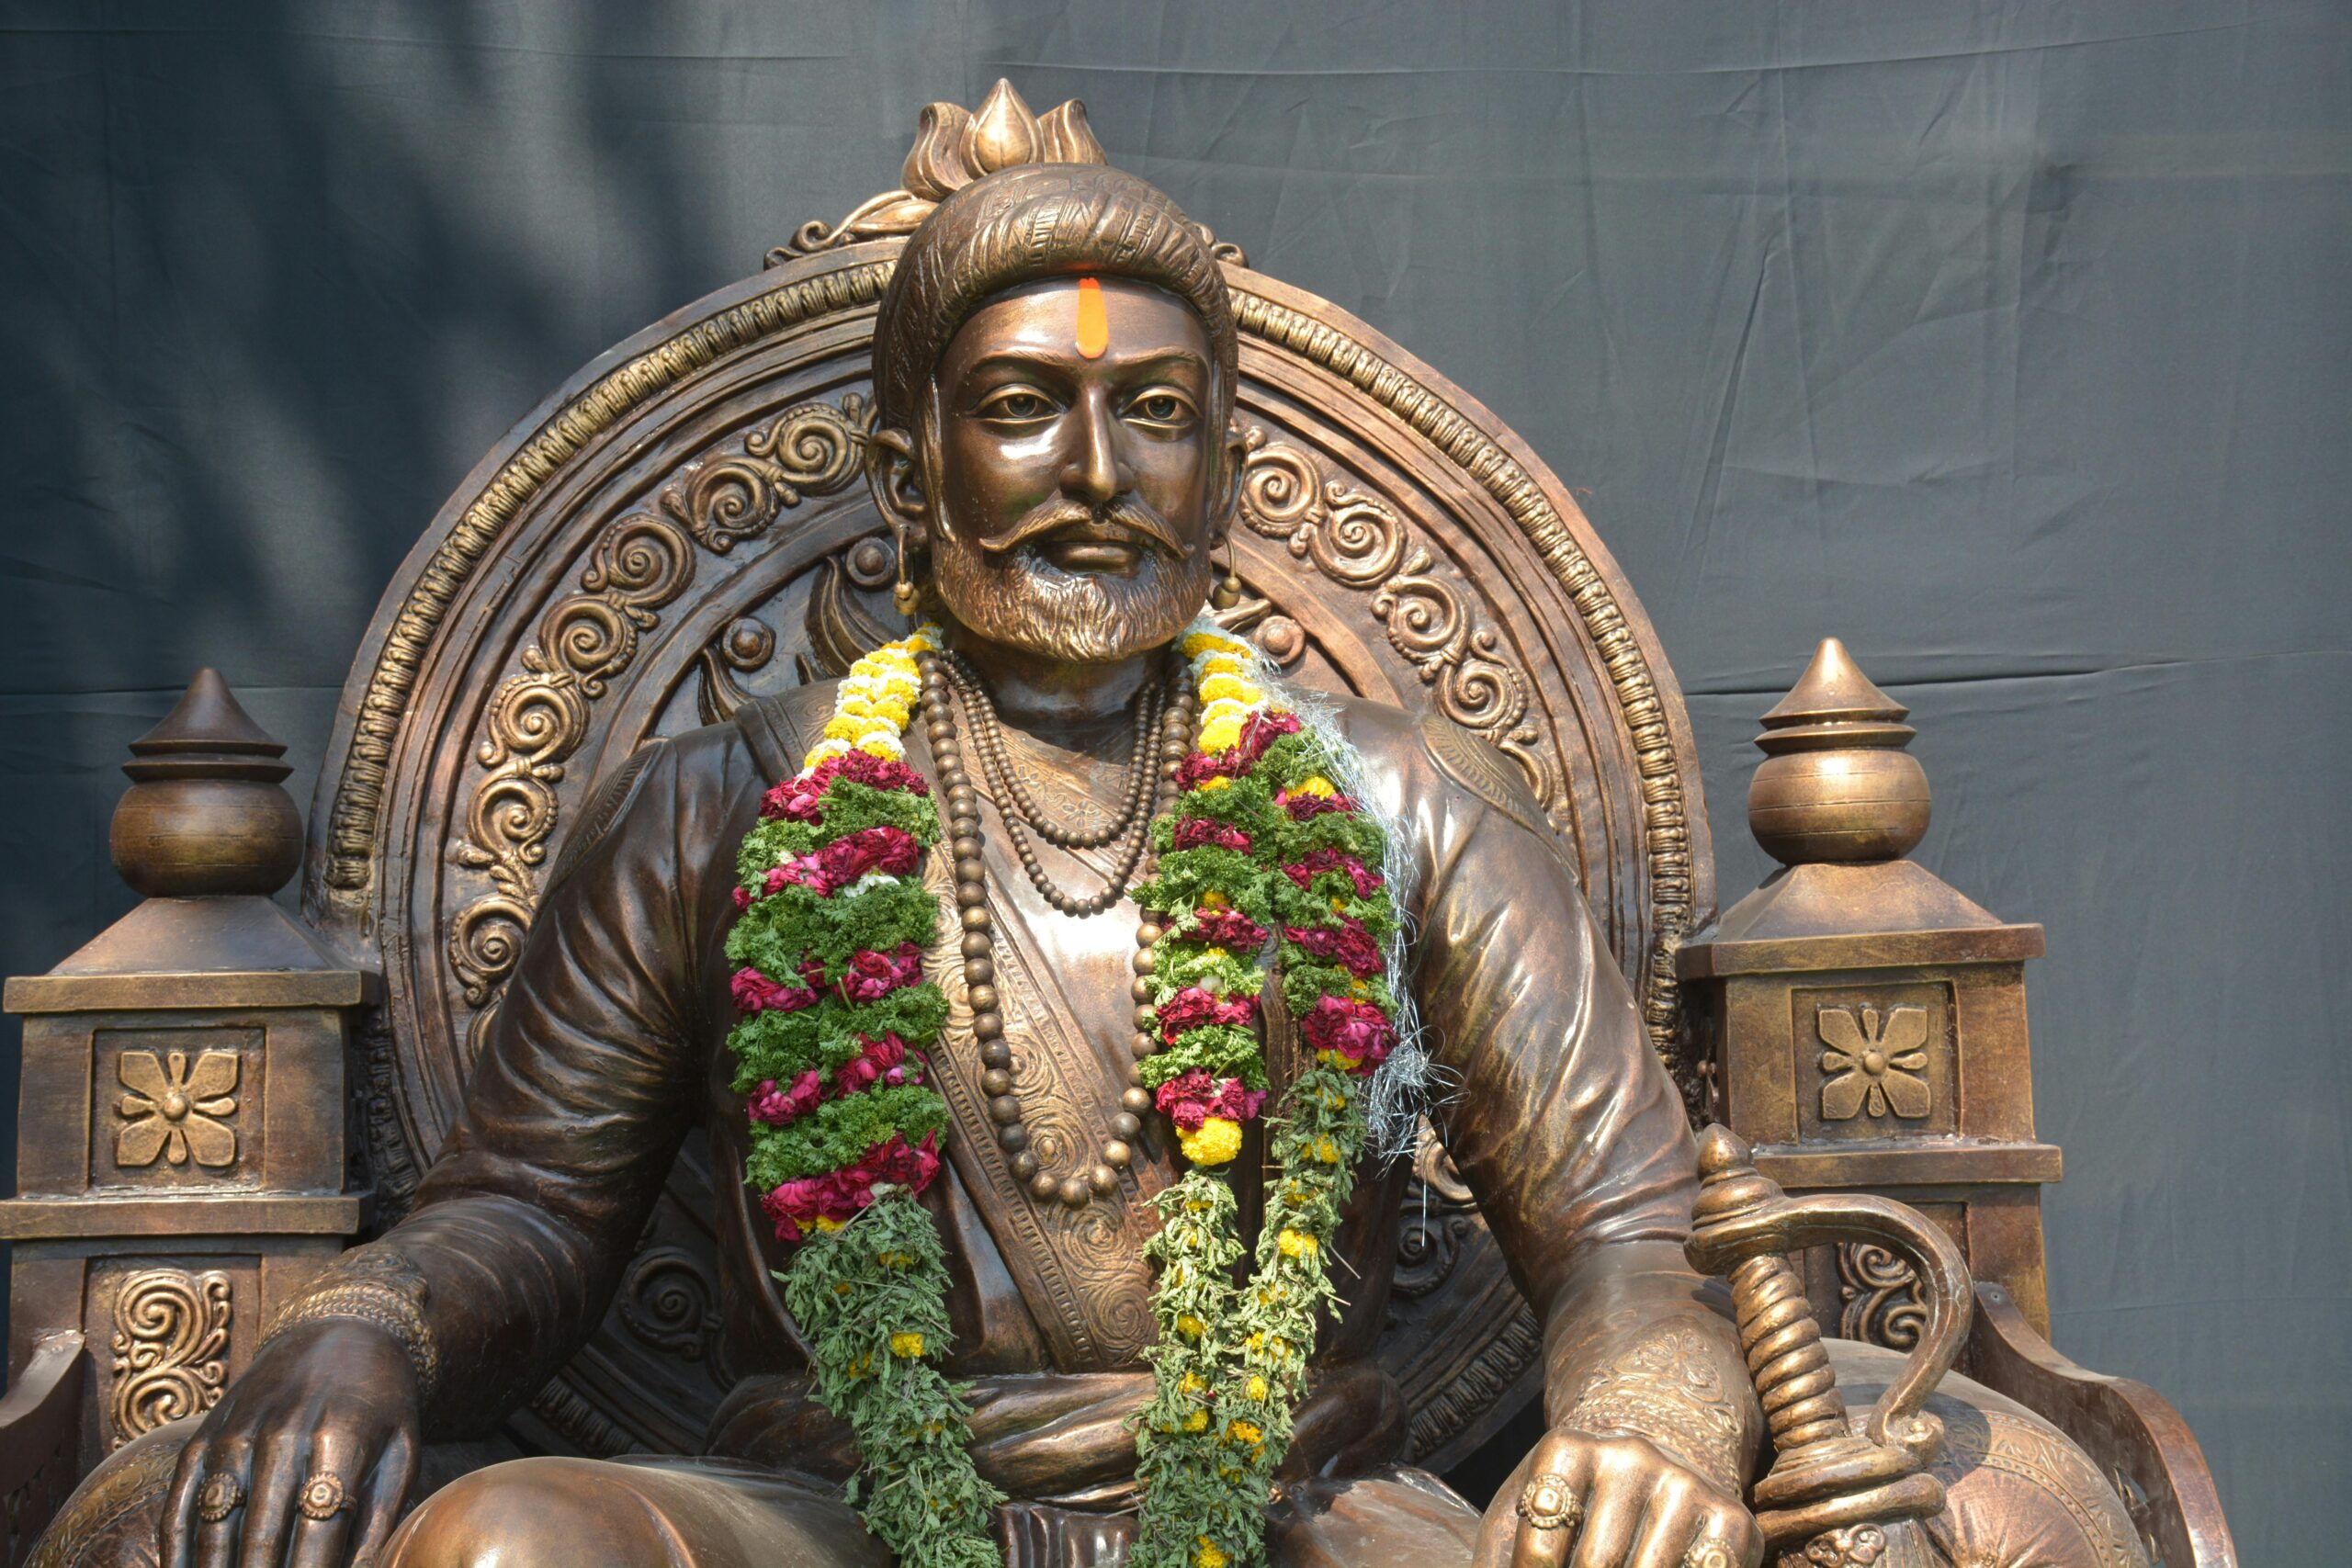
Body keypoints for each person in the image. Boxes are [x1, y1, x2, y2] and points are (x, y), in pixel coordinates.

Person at [44, 159, 1765, 1568]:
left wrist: (1646, 1425)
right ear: (908, 474)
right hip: (838, 1514)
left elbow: (1625, 1227)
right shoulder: (716, 802)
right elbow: (528, 1211)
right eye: (1023, 408)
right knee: (510, 1550)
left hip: (1290, 1511)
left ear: (1221, 472)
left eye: (1154, 411)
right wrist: (374, 1328)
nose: (1096, 473)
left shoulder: (1402, 804)